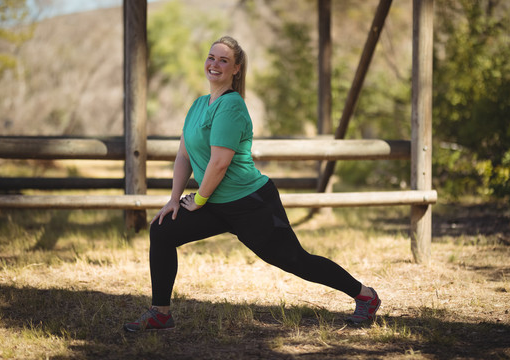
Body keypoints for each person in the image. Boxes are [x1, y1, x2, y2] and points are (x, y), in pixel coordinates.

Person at [123, 36, 381, 332]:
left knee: (295, 260)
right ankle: (160, 314)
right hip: (214, 202)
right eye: (211, 57)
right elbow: (184, 154)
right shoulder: (198, 105)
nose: (215, 64)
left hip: (250, 202)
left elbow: (219, 163)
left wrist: (200, 200)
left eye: (223, 60)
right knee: (162, 230)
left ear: (236, 69)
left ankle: (365, 296)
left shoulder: (231, 107)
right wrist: (174, 199)